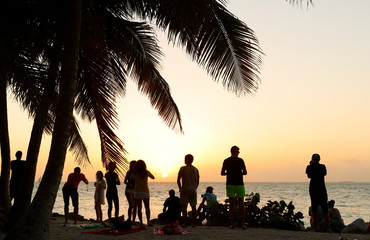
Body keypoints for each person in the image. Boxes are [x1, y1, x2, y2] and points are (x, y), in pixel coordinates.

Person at [221, 146, 247, 229]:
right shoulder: (240, 160)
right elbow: (245, 172)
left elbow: (222, 173)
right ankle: (243, 224)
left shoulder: (226, 161)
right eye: (238, 151)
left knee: (231, 205)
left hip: (230, 184)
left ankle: (232, 224)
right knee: (241, 204)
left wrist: (229, 173)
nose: (239, 153)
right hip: (239, 184)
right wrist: (238, 173)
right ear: (235, 152)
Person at [306, 153, 331, 232]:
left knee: (314, 208)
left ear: (312, 159)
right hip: (321, 188)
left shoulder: (309, 167)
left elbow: (309, 176)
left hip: (313, 188)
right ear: (319, 159)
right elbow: (324, 174)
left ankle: (316, 227)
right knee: (325, 208)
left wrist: (311, 165)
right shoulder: (323, 167)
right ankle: (328, 228)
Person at [177, 154, 199, 227]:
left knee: (184, 207)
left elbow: (178, 180)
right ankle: (193, 223)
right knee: (193, 207)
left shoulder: (182, 168)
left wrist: (180, 188)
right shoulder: (195, 169)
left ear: (187, 160)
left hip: (185, 189)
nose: (184, 160)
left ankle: (185, 223)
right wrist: (195, 187)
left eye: (185, 159)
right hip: (193, 189)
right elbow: (197, 181)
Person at [130, 159, 155, 227]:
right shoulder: (146, 172)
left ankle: (141, 222)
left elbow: (131, 178)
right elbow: (153, 177)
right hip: (145, 191)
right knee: (147, 207)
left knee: (139, 208)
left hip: (137, 191)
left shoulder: (135, 173)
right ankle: (148, 221)